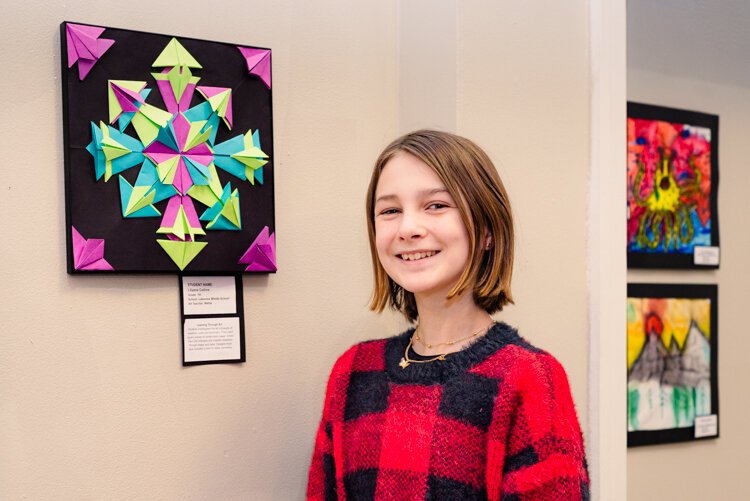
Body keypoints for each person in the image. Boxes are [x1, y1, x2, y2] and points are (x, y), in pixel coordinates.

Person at [307, 130, 589, 500]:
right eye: (390, 211)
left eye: (436, 205)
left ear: (487, 229)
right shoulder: (353, 371)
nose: (408, 229)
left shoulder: (529, 378)